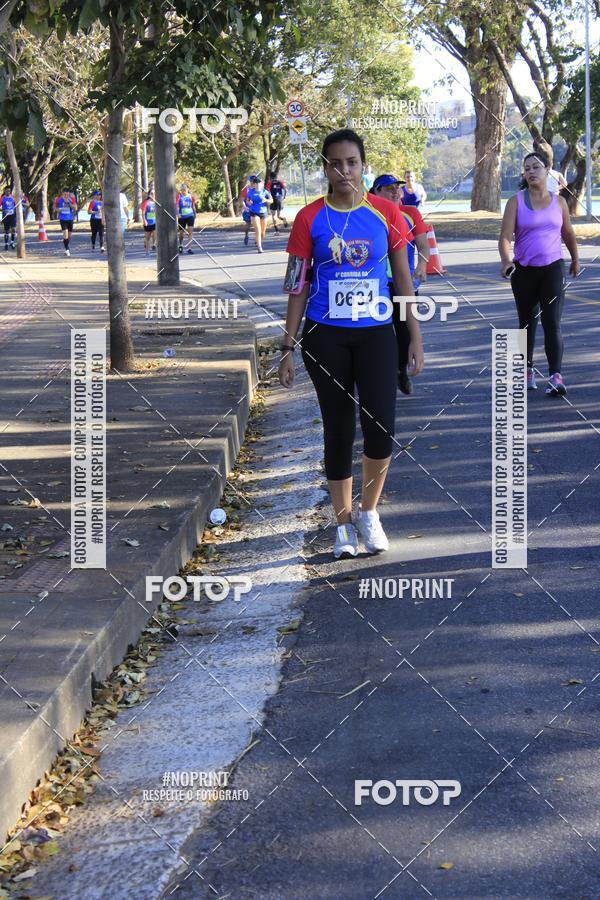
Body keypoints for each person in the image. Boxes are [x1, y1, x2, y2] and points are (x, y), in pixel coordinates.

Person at [278, 128, 424, 559]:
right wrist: (287, 346)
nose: (344, 170)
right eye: (336, 163)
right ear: (325, 167)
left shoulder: (386, 213)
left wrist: (413, 335)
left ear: (363, 166)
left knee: (381, 426)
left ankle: (368, 512)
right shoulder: (309, 218)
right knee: (338, 428)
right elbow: (296, 286)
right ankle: (342, 524)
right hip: (325, 336)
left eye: (352, 163)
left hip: (378, 334)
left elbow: (403, 280)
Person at [499, 150, 580, 396]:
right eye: (527, 168)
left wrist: (575, 259)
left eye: (536, 167)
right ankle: (527, 371)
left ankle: (556, 376)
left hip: (553, 268)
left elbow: (567, 233)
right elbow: (504, 237)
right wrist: (505, 261)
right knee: (527, 323)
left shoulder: (560, 202)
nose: (531, 171)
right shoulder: (516, 201)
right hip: (524, 271)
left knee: (552, 322)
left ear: (547, 171)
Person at [371, 173, 430, 395]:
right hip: (377, 285)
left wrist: (422, 266)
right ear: (375, 192)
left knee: (405, 332)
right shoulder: (368, 215)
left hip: (404, 282)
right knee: (380, 332)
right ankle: (379, 374)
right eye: (388, 188)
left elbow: (424, 247)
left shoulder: (411, 213)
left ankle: (400, 371)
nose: (396, 191)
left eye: (398, 188)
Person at [244, 175, 271, 254]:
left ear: (261, 184)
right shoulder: (251, 192)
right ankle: (259, 247)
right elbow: (247, 200)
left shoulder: (264, 191)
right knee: (258, 230)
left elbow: (271, 200)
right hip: (254, 212)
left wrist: (266, 200)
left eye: (259, 183)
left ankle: (258, 242)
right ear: (254, 185)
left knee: (263, 232)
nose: (258, 184)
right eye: (256, 183)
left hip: (263, 212)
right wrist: (249, 203)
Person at [55, 188, 77, 256]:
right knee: (65, 234)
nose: (66, 196)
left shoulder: (72, 199)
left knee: (69, 236)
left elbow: (75, 208)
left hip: (70, 219)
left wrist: (69, 203)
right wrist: (58, 210)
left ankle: (65, 243)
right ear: (62, 194)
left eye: (67, 194)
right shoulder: (58, 199)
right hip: (62, 219)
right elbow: (55, 207)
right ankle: (67, 249)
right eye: (65, 194)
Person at [176, 183, 197, 254]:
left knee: (190, 232)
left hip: (190, 215)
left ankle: (189, 248)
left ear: (187, 189)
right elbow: (177, 206)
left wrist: (195, 214)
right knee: (181, 233)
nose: (183, 191)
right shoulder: (179, 196)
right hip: (182, 217)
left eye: (184, 189)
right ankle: (181, 245)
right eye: (182, 189)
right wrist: (178, 213)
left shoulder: (191, 196)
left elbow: (193, 206)